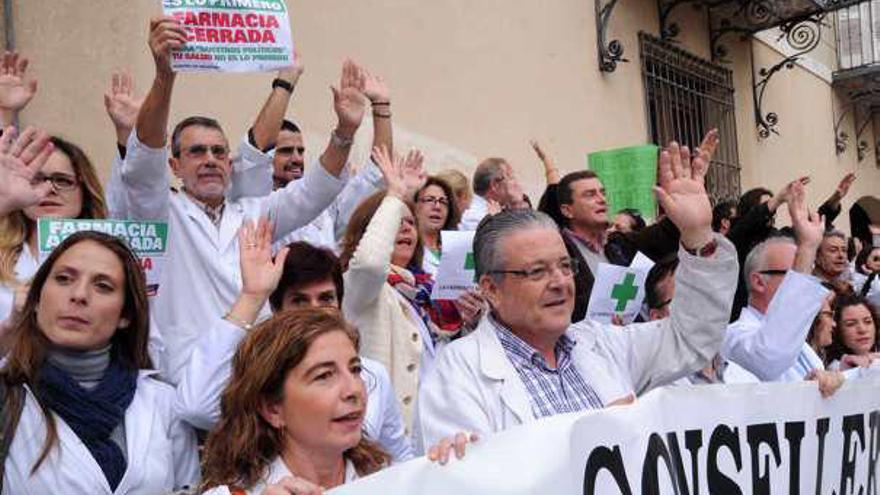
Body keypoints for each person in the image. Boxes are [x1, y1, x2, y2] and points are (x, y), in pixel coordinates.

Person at [418, 138, 740, 446]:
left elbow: (692, 338)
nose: (560, 282)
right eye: (537, 271)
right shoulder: (458, 373)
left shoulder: (603, 344)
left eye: (564, 265)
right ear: (491, 288)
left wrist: (698, 235)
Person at [120, 18, 365, 383]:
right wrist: (164, 77)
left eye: (219, 152)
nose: (210, 160)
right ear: (174, 165)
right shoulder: (158, 213)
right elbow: (144, 158)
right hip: (184, 379)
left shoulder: (253, 213)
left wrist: (345, 131)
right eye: (196, 152)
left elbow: (314, 191)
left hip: (257, 377)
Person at [177, 219, 413, 462]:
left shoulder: (373, 375)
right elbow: (196, 407)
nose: (315, 311)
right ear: (277, 310)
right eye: (300, 301)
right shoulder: (260, 378)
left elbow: (400, 458)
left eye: (326, 299)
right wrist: (252, 296)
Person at [0, 231, 199, 493]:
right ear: (36, 300)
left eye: (103, 286)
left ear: (125, 315)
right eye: (63, 279)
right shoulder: (8, 398)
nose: (79, 295)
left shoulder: (163, 403)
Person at [199, 308, 475, 494]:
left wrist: (456, 477)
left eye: (355, 369)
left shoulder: (389, 481)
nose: (353, 389)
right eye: (324, 376)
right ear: (273, 408)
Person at [340, 146, 468, 429]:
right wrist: (396, 196)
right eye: (396, 222)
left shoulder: (424, 289)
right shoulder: (361, 284)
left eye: (410, 223)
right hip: (389, 431)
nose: (407, 229)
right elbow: (371, 263)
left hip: (434, 424)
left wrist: (470, 321)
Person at [234, 59, 394, 252]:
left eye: (300, 151)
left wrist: (381, 106)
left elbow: (377, 173)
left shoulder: (325, 205)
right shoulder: (251, 206)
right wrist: (286, 81)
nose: (296, 158)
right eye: (285, 151)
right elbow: (254, 153)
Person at [721, 181, 830, 383]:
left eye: (805, 272)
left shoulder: (803, 345)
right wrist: (806, 248)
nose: (801, 286)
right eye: (794, 275)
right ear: (759, 282)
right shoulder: (735, 337)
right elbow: (769, 357)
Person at [0, 131, 107, 326]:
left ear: (85, 192)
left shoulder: (112, 259)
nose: (49, 189)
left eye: (63, 181)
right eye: (36, 179)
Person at [457, 157, 523, 230]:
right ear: (495, 185)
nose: (516, 182)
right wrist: (517, 204)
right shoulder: (477, 216)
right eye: (511, 177)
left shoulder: (493, 211)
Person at [414, 176, 459, 276]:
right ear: (415, 207)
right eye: (430, 200)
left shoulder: (456, 250)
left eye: (443, 202)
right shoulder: (408, 250)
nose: (437, 207)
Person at [827, 294, 880, 370]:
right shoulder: (835, 370)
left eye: (868, 322)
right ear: (837, 330)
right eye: (851, 324)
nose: (862, 330)